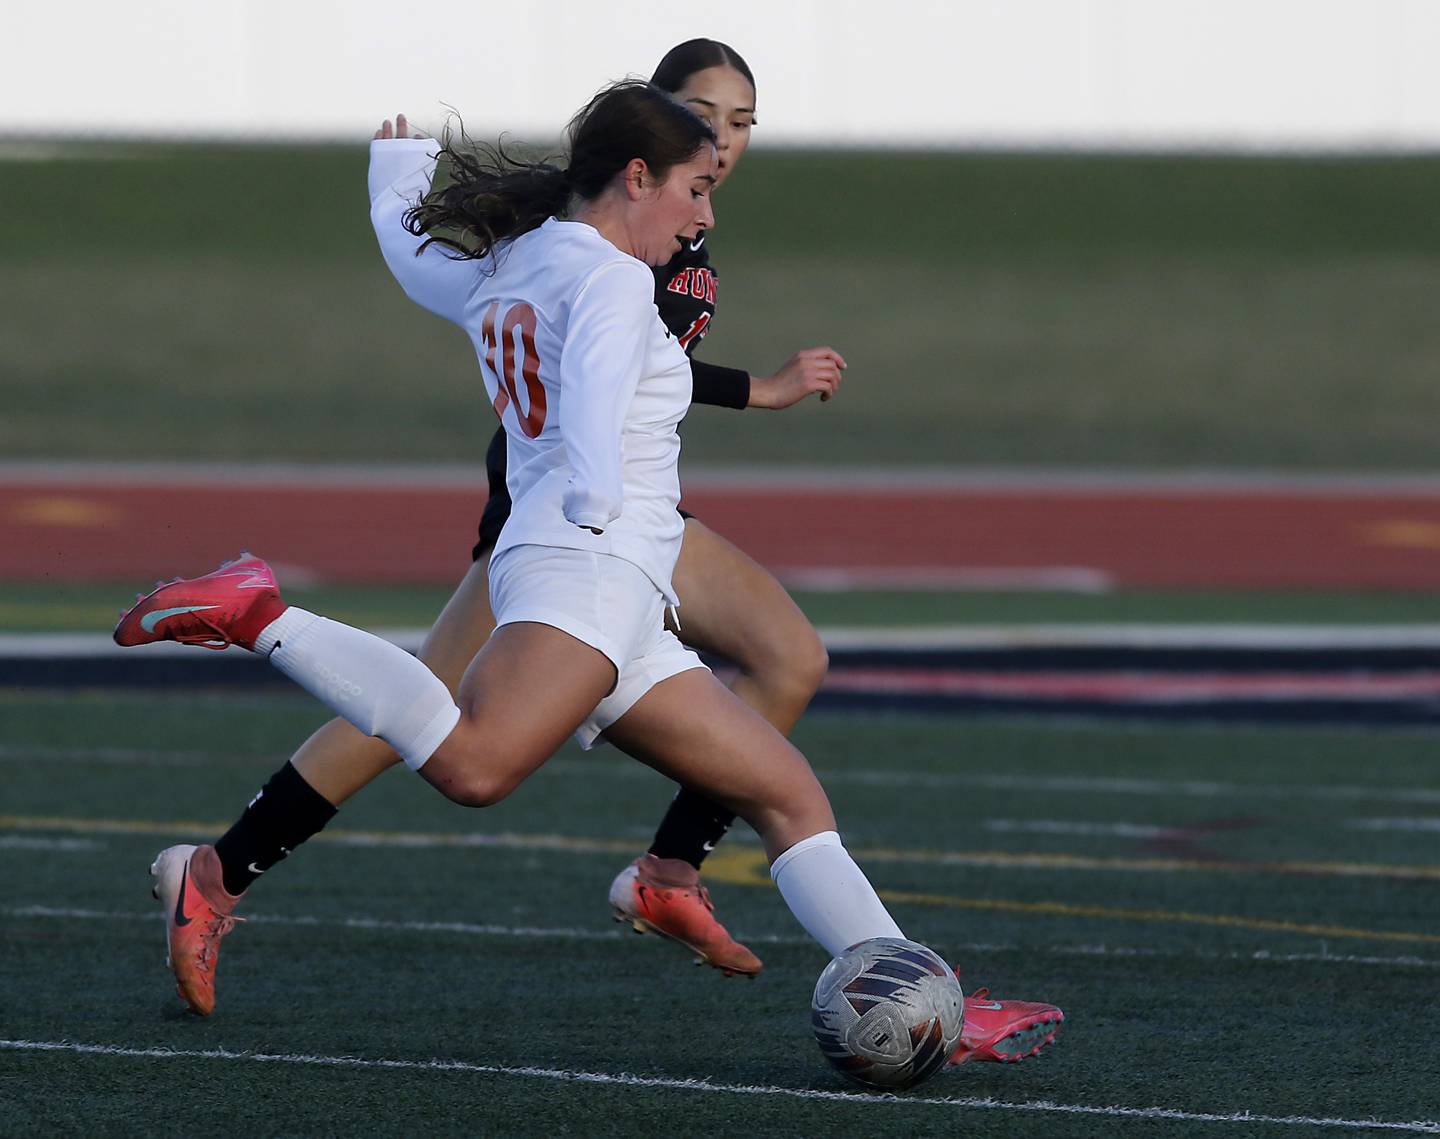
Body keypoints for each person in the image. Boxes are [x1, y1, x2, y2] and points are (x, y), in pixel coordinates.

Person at [117, 77, 1063, 1067]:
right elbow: (597, 397)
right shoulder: (610, 280)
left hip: (611, 582)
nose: (704, 212)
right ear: (637, 176)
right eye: (694, 188)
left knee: (785, 793)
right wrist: (603, 496)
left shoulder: (518, 259)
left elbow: (414, 262)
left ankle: (917, 994)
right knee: (476, 766)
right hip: (592, 565)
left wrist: (393, 184)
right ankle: (257, 610)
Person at [154, 40, 844, 992]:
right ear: (647, 144)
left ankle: (669, 872)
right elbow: (600, 373)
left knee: (788, 656)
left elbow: (632, 359)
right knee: (436, 719)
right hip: (568, 508)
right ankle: (219, 871)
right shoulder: (617, 248)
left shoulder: (656, 234)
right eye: (701, 118)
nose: (720, 143)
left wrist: (755, 394)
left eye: (740, 124)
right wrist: (631, 472)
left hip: (629, 510)